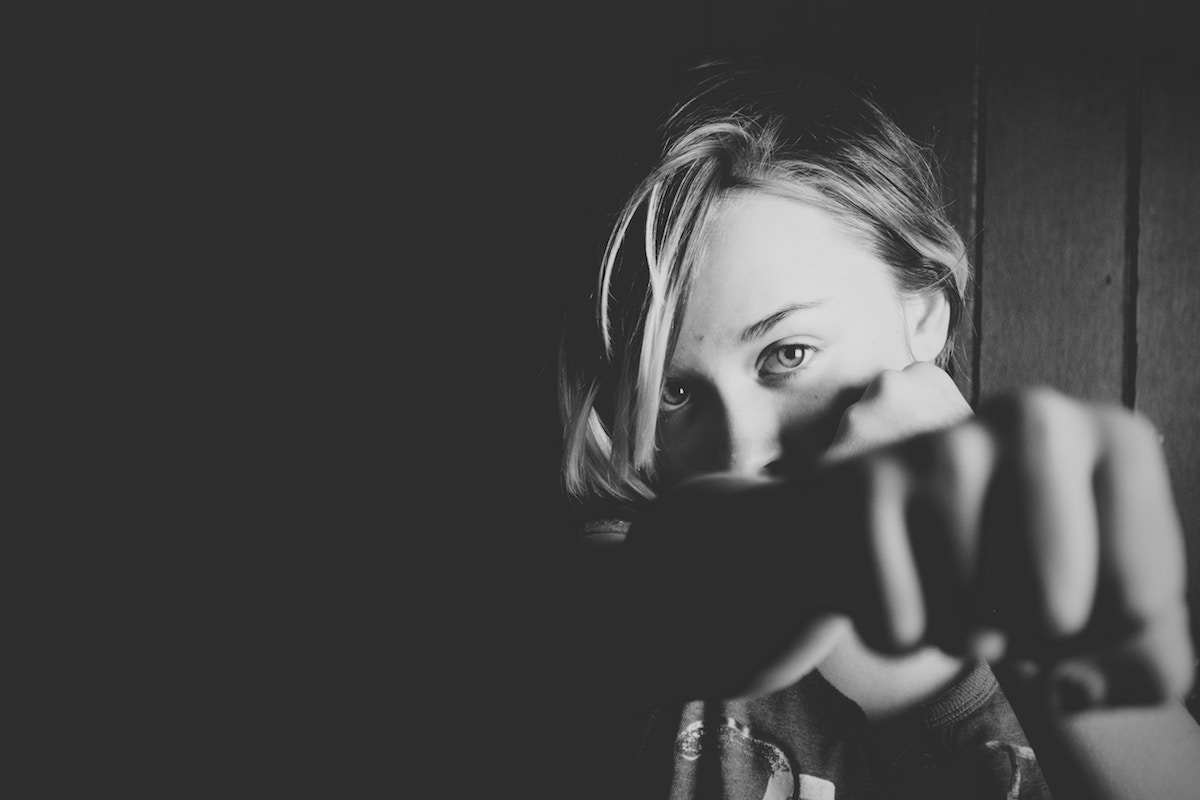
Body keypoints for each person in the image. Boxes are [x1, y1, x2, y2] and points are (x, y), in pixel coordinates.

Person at [540, 57, 1200, 799]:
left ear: (923, 317)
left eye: (788, 355)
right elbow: (646, 603)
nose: (743, 452)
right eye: (675, 394)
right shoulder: (608, 583)